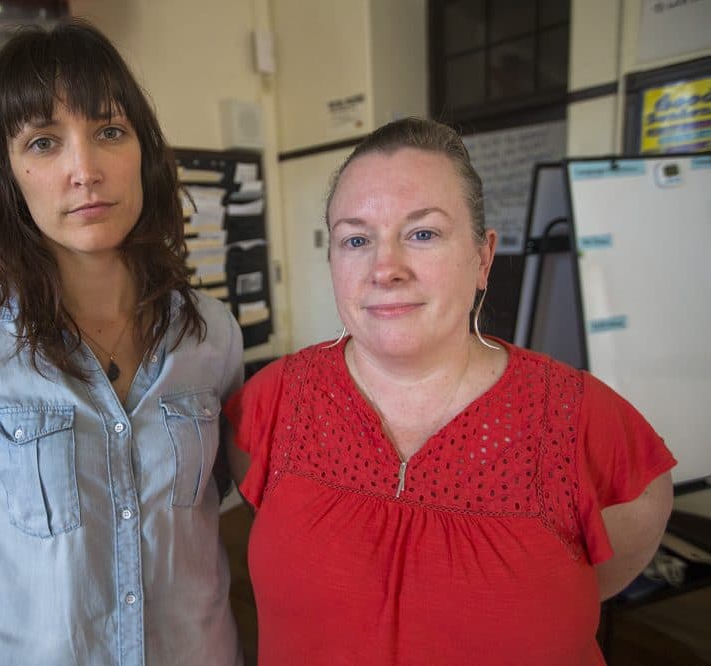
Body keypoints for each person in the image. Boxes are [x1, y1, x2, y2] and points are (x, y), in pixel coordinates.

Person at [224, 117, 675, 665]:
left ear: (483, 258)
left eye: (423, 234)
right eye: (357, 239)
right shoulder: (272, 404)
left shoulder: (587, 426)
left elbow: (607, 575)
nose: (384, 268)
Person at [0, 20, 244, 665]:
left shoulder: (212, 333)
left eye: (108, 132)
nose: (84, 170)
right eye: (43, 142)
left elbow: (213, 505)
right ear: (9, 175)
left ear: (144, 152)